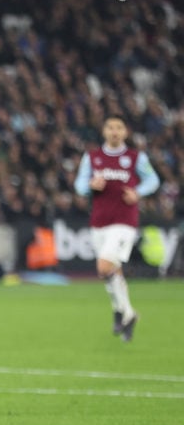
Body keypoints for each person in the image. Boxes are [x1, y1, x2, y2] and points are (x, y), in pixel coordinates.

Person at [73, 116, 160, 342]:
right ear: (104, 131)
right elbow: (80, 185)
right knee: (113, 271)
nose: (114, 131)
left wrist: (138, 192)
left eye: (119, 127)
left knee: (103, 267)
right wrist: (90, 185)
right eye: (110, 127)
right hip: (99, 221)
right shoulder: (92, 157)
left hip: (124, 221)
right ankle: (123, 312)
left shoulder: (135, 157)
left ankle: (125, 312)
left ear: (125, 132)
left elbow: (153, 180)